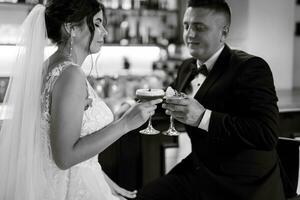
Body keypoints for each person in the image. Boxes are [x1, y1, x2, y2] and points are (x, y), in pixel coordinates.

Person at [0, 1, 161, 200]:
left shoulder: (48, 67)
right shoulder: (71, 74)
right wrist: (126, 123)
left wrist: (105, 181)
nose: (105, 32)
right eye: (98, 23)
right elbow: (65, 157)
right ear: (72, 28)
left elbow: (53, 145)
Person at [136, 0, 285, 199]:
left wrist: (203, 117)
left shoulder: (251, 68)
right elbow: (171, 98)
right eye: (186, 26)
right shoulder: (188, 66)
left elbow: (265, 134)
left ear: (223, 33)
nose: (189, 34)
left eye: (199, 27)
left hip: (243, 184)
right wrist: (136, 104)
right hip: (200, 171)